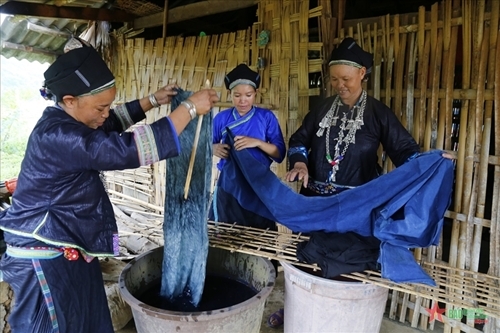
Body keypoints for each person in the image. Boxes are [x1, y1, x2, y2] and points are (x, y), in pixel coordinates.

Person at [0, 41, 219, 333]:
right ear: (69, 100)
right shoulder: (58, 135)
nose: (106, 113)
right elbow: (126, 150)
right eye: (100, 107)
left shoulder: (74, 121)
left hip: (71, 247)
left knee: (88, 322)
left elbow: (109, 123)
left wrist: (152, 100)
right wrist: (189, 109)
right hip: (45, 256)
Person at [266, 37, 451, 328]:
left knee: (345, 268)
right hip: (316, 202)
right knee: (306, 261)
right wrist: (300, 162)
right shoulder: (321, 110)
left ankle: (340, 322)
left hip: (357, 209)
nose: (340, 85)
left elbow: (406, 152)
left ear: (362, 74)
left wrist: (432, 162)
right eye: (335, 79)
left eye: (346, 79)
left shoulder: (378, 114)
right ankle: (297, 312)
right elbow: (299, 139)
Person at [209, 63, 286, 232]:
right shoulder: (221, 119)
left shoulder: (266, 117)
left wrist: (257, 142)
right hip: (230, 186)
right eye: (237, 95)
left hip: (258, 185)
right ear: (230, 94)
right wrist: (213, 148)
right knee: (226, 233)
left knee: (260, 235)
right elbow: (204, 146)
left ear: (255, 94)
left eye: (248, 95)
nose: (242, 100)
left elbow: (279, 154)